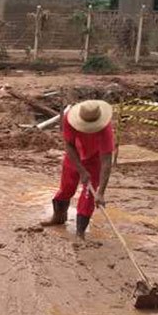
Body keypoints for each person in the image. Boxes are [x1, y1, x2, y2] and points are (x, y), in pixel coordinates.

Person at [41, 100, 115, 240]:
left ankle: (80, 233)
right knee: (66, 188)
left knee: (88, 196)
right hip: (74, 156)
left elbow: (106, 161)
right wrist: (81, 170)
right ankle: (58, 218)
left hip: (94, 160)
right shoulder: (69, 119)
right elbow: (69, 146)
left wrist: (101, 192)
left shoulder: (105, 130)